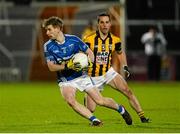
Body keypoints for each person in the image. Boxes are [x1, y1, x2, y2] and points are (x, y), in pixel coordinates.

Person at [42, 16, 132, 126]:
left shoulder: (74, 40)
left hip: (82, 77)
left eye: (49, 29)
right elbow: (51, 67)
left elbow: (90, 52)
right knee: (70, 101)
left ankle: (121, 109)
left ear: (58, 28)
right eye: (46, 30)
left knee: (100, 101)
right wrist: (67, 66)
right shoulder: (48, 46)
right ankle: (95, 120)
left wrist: (89, 62)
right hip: (66, 80)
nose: (47, 32)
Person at [83, 13, 149, 123]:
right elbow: (81, 55)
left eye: (107, 22)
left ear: (110, 24)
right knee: (91, 109)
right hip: (92, 77)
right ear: (98, 24)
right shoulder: (88, 39)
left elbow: (120, 53)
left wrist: (125, 66)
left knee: (127, 91)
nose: (105, 25)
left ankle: (142, 117)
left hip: (108, 72)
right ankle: (89, 96)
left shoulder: (115, 40)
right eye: (102, 22)